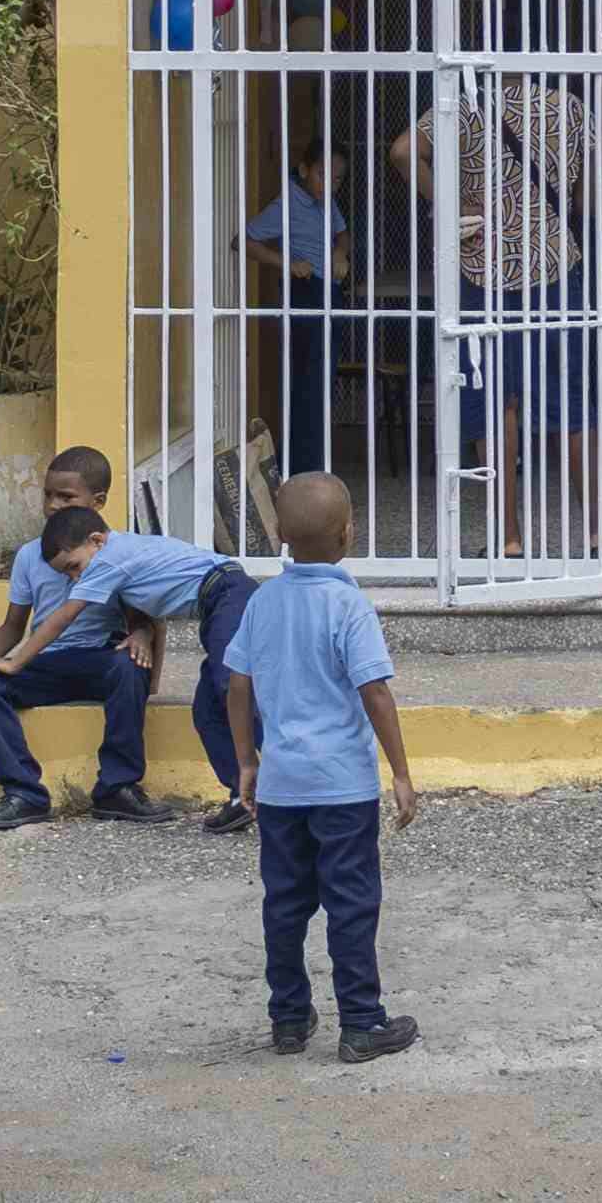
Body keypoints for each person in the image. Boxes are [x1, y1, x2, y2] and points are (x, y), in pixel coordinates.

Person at [223, 472, 421, 1064]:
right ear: (350, 533)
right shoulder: (349, 605)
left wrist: (245, 761)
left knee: (284, 903)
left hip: (283, 786)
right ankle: (361, 1022)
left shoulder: (262, 601)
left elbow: (237, 685)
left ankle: (287, 1018)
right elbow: (375, 693)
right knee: (351, 902)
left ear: (279, 534)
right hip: (343, 788)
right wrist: (402, 773)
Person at [394, 67, 598, 559]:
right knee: (568, 397)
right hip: (553, 265)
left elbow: (403, 152)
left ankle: (508, 536)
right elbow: (587, 198)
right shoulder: (569, 105)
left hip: (484, 270)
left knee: (494, 402)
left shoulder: (463, 105)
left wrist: (446, 202)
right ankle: (595, 531)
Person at [0, 501, 200, 831]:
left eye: (67, 495)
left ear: (97, 502)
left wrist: (141, 635)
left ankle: (118, 788)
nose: (56, 503)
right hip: (44, 663)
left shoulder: (113, 554)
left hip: (102, 658)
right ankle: (24, 794)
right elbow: (13, 625)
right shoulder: (31, 556)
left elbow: (141, 617)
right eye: (49, 494)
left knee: (129, 666)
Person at [244, 138, 358, 476]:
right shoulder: (287, 205)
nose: (331, 184)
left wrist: (341, 252)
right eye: (324, 175)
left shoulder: (326, 201)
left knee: (321, 382)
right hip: (306, 292)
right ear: (305, 169)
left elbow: (343, 233)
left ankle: (315, 468)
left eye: (338, 179)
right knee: (307, 386)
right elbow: (244, 240)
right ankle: (303, 472)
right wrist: (286, 263)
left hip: (330, 293)